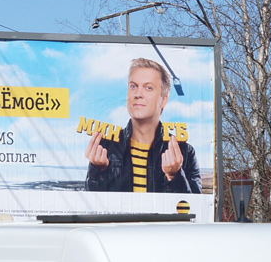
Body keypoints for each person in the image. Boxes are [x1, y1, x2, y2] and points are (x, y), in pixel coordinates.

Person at [85, 58, 202, 194]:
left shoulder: (185, 152)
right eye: (133, 86)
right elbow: (92, 207)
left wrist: (174, 176)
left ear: (163, 99)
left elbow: (194, 209)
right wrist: (98, 172)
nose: (138, 94)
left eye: (148, 88)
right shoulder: (106, 148)